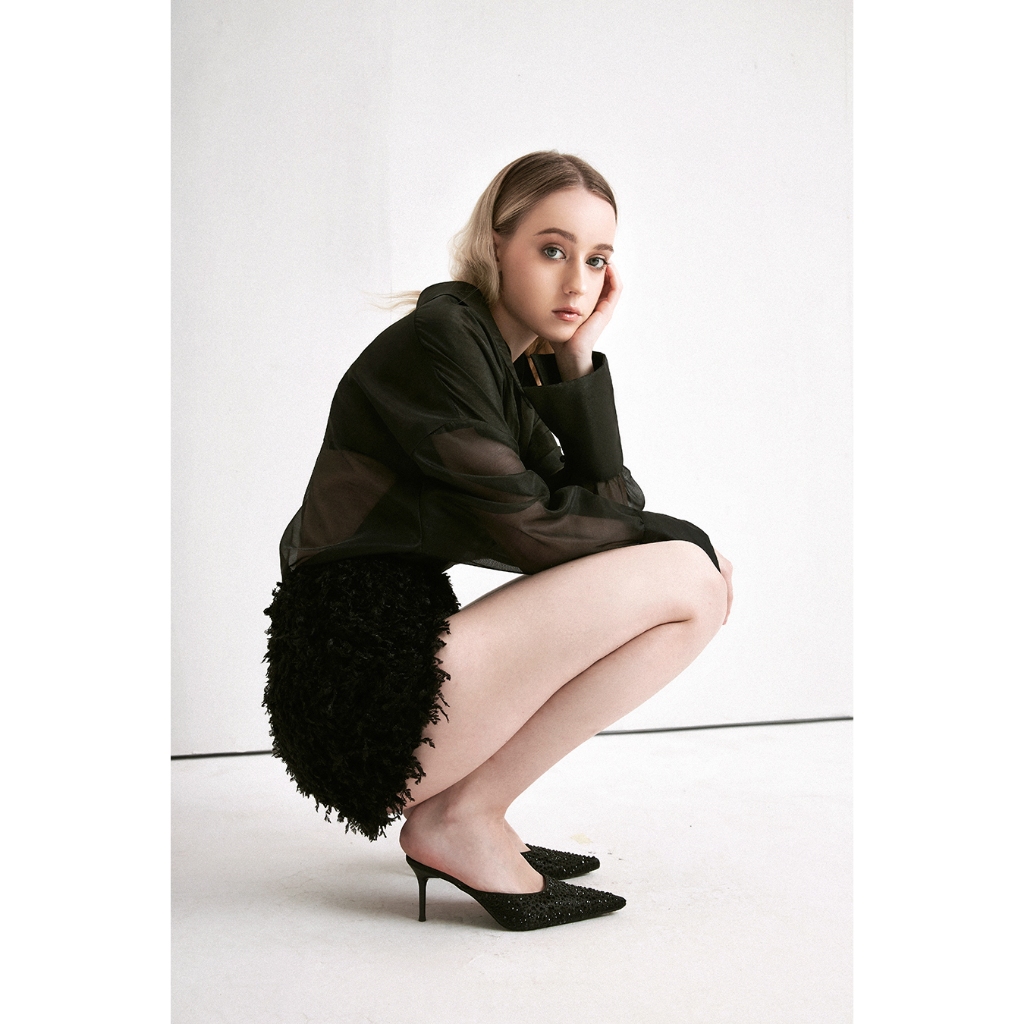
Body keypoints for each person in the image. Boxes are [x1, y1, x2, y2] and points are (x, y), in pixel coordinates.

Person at [263, 151, 733, 931]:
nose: (578, 283)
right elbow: (535, 531)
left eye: (597, 259)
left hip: (390, 678)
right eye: (552, 250)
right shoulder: (441, 344)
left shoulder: (497, 362)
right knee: (691, 581)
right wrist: (689, 544)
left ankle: (469, 812)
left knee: (692, 580)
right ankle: (459, 820)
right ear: (495, 244)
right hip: (359, 698)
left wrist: (575, 363)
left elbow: (606, 513)